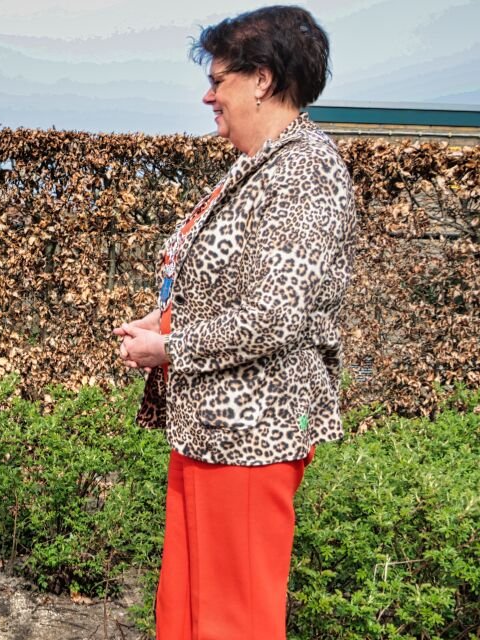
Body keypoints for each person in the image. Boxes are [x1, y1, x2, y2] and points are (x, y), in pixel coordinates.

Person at [112, 6, 357, 638]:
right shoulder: (261, 167)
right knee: (189, 616)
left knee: (234, 621)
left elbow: (276, 313)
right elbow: (234, 288)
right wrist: (165, 320)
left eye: (218, 78)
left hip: (253, 431)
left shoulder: (304, 170)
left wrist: (171, 346)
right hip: (214, 429)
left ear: (263, 80)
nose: (208, 93)